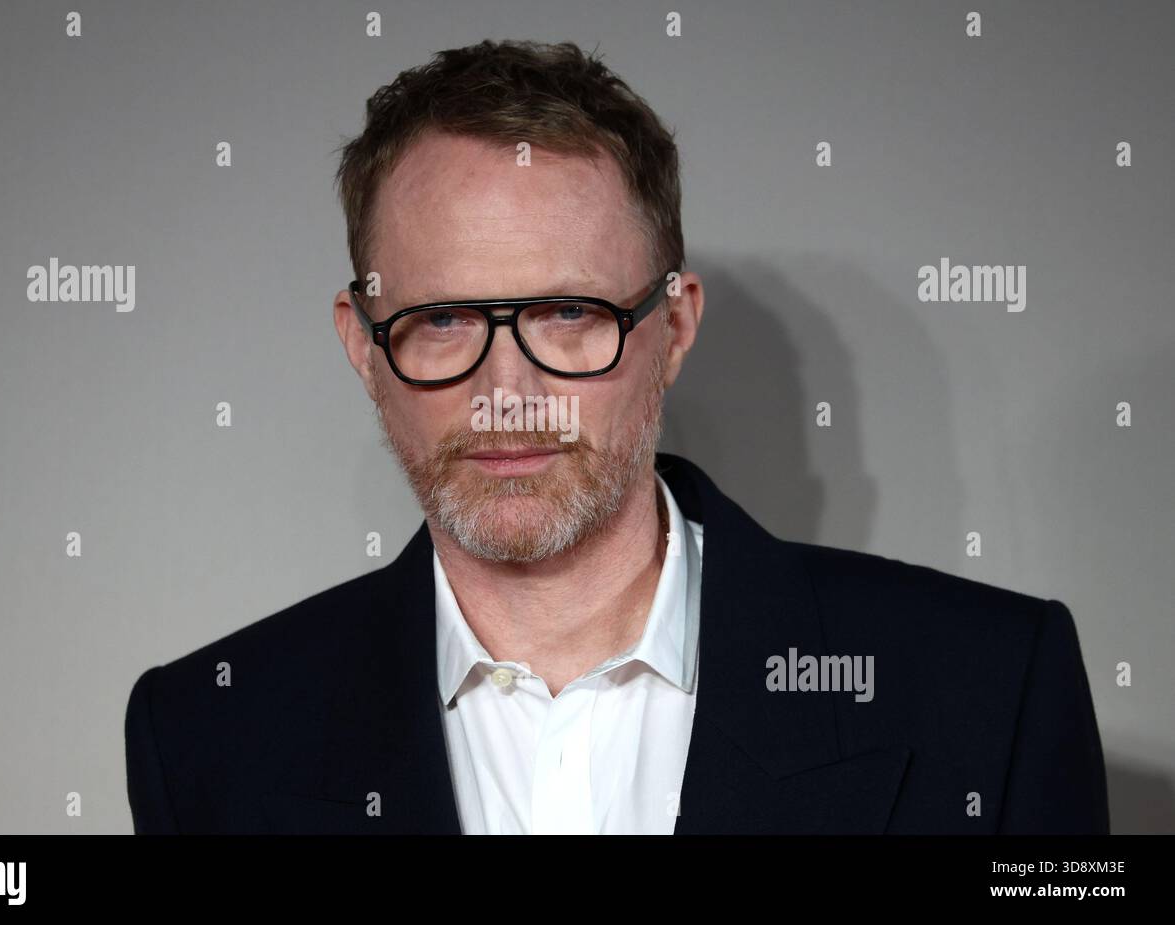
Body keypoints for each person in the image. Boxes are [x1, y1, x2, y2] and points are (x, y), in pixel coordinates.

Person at [125, 39, 1108, 834]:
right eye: (442, 322)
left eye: (566, 315)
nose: (505, 392)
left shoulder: (988, 687)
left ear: (672, 327)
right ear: (361, 342)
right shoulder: (211, 733)